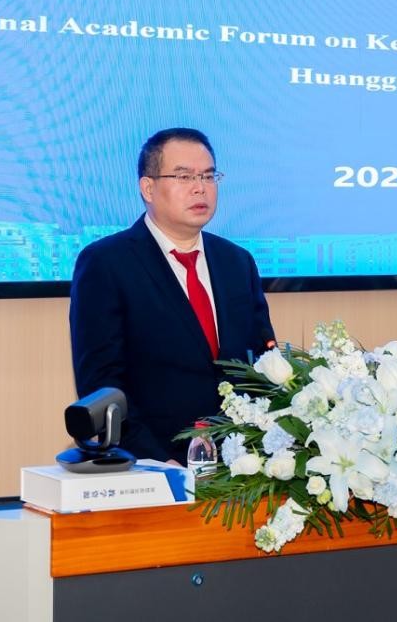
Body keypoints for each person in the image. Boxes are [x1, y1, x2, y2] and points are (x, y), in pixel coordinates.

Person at [68, 127, 276, 463]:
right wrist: (157, 460)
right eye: (184, 176)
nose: (200, 187)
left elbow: (263, 364)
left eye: (208, 176)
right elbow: (101, 384)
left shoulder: (237, 262)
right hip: (153, 464)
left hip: (240, 464)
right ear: (148, 188)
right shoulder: (107, 263)